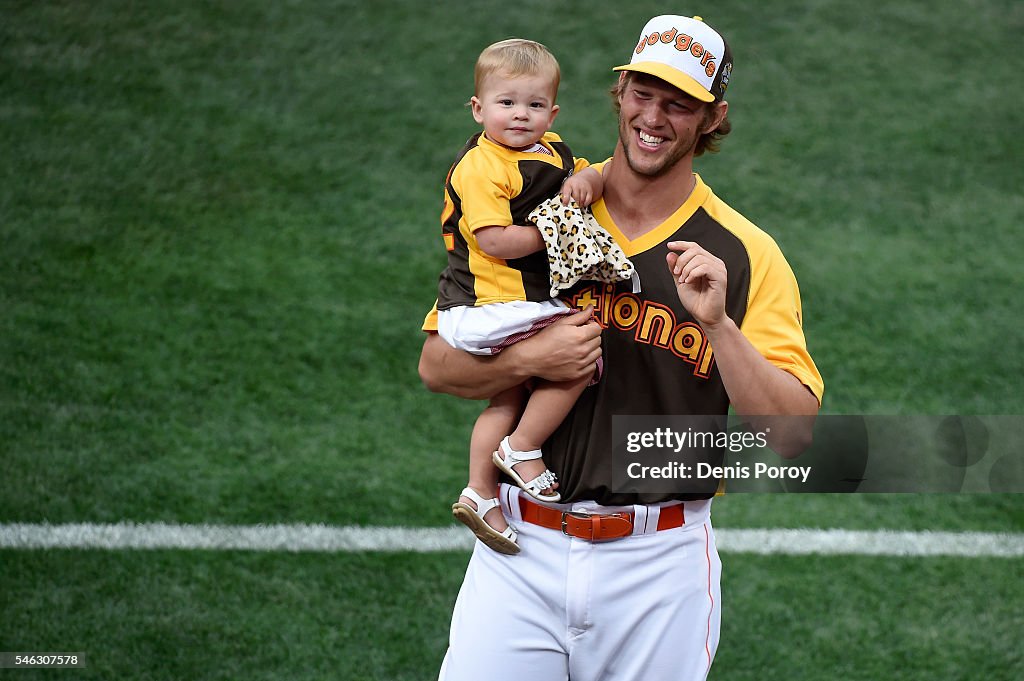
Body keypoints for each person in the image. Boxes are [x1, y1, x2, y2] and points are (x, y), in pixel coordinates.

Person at [419, 14, 823, 681]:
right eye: (642, 93)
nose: (653, 117)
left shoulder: (745, 253)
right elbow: (436, 365)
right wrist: (531, 360)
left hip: (656, 567)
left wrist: (718, 326)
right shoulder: (540, 209)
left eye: (679, 104)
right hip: (519, 551)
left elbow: (793, 435)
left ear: (713, 118)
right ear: (620, 93)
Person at [436, 38, 621, 555]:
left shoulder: (551, 149)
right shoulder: (481, 166)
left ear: (552, 113)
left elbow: (591, 170)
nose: (521, 115)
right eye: (507, 102)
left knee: (508, 395)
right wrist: (556, 230)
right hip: (491, 304)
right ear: (478, 109)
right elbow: (494, 240)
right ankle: (523, 447)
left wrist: (586, 180)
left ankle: (479, 491)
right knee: (580, 355)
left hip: (509, 305)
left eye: (535, 104)